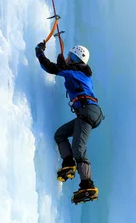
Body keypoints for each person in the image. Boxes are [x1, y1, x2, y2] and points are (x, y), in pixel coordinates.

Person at [35, 41, 104, 203]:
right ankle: (68, 163)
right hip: (89, 112)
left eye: (70, 56)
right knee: (60, 134)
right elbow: (64, 70)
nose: (67, 58)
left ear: (75, 58)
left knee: (79, 149)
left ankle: (87, 185)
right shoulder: (80, 72)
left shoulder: (77, 72)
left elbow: (52, 69)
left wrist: (40, 53)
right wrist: (62, 63)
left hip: (87, 111)